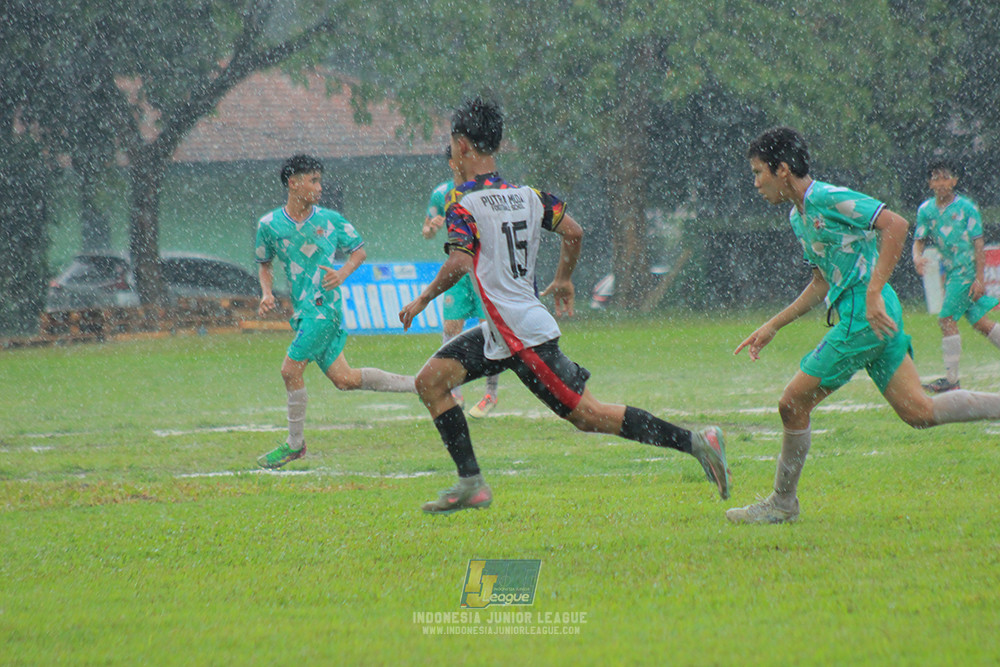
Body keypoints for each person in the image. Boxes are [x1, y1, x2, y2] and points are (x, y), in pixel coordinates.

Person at [399, 96, 730, 514]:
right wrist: (565, 278)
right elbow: (574, 232)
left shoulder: (461, 203)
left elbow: (461, 260)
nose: (449, 152)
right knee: (430, 381)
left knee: (589, 416)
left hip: (522, 338)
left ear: (462, 145)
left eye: (450, 143)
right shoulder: (528, 195)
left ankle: (697, 442)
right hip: (505, 331)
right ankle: (472, 484)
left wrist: (422, 297)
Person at [731, 127, 1000, 524]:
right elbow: (821, 281)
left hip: (866, 313)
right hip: (872, 311)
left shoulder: (825, 197)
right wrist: (774, 325)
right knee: (919, 411)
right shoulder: (798, 215)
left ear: (783, 169)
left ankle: (783, 504)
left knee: (791, 402)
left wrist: (872, 292)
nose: (755, 183)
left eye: (758, 172)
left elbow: (895, 224)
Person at [255, 154, 416, 469]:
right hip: (303, 311)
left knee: (290, 370)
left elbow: (359, 251)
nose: (318, 186)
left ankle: (295, 444)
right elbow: (264, 263)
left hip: (324, 309)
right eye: (312, 180)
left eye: (319, 180)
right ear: (293, 183)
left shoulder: (331, 220)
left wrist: (341, 275)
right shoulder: (269, 225)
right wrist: (266, 293)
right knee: (345, 379)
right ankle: (419, 383)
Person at [422, 146, 500, 418]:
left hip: (482, 268)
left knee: (487, 328)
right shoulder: (441, 193)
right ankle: (453, 388)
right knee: (451, 327)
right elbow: (427, 230)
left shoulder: (482, 190)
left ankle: (491, 392)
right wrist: (431, 228)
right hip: (456, 266)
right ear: (451, 162)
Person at [912, 159, 1000, 393]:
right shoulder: (926, 210)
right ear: (930, 183)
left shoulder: (967, 208)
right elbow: (918, 241)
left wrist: (979, 277)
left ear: (954, 181)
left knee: (946, 319)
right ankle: (952, 381)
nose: (941, 183)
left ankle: (952, 381)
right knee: (981, 323)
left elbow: (978, 243)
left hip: (966, 272)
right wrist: (916, 257)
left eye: (945, 178)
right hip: (952, 273)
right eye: (936, 178)